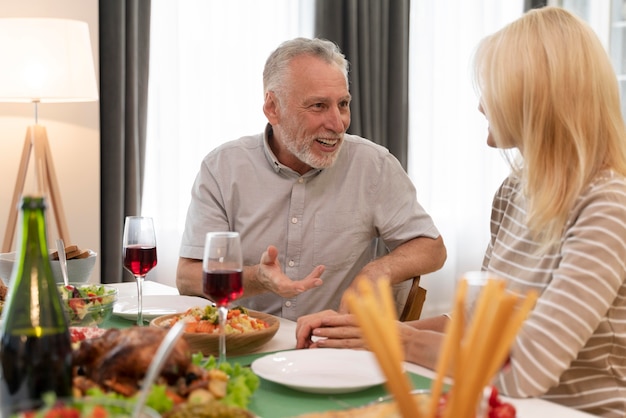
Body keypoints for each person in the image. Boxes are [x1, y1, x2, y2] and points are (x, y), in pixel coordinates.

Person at [295, 7, 626, 417]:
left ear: (534, 96)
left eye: (492, 88)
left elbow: (522, 370)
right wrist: (362, 333)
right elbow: (475, 326)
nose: (483, 105)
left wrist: (392, 339)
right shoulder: (513, 193)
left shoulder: (608, 204)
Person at [176, 37, 446, 321]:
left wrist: (376, 271)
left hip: (333, 349)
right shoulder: (222, 168)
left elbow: (432, 248)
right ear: (273, 108)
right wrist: (258, 278)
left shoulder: (374, 166)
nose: (337, 123)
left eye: (342, 104)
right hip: (246, 342)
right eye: (318, 106)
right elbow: (187, 278)